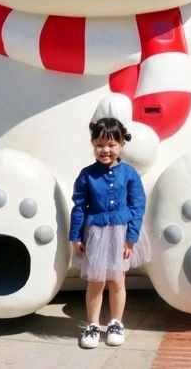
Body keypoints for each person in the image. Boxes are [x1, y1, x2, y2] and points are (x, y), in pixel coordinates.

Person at [70, 117, 150, 349]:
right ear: (93, 144)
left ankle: (116, 323)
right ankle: (93, 325)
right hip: (95, 232)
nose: (105, 149)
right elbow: (79, 206)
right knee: (96, 280)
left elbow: (137, 206)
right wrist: (76, 234)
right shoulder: (86, 175)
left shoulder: (130, 173)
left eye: (111, 144)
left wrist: (131, 238)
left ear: (122, 144)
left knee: (117, 279)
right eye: (99, 144)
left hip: (122, 232)